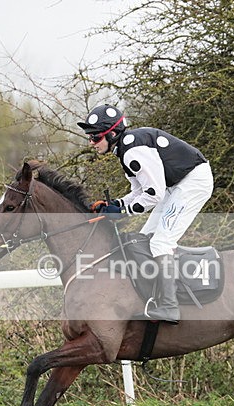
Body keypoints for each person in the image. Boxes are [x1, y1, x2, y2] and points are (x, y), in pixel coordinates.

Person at [77, 104, 214, 324]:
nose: (91, 143)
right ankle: (156, 296)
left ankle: (170, 306)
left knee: (160, 243)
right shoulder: (124, 150)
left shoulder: (132, 150)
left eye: (94, 138)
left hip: (192, 183)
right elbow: (139, 192)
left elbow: (154, 194)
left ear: (111, 134)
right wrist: (115, 204)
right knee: (144, 239)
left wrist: (121, 211)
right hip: (176, 186)